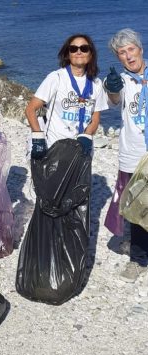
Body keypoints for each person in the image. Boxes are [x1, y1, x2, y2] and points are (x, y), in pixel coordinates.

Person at [104, 28, 148, 283]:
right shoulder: (121, 80)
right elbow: (113, 99)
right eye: (122, 53)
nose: (128, 56)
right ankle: (139, 258)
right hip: (133, 153)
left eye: (131, 49)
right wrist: (111, 89)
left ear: (140, 49)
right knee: (138, 207)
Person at [25, 34, 108, 158]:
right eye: (73, 49)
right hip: (54, 148)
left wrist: (87, 135)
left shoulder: (96, 83)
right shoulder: (56, 78)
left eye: (84, 48)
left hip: (82, 150)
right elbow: (30, 109)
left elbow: (95, 119)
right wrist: (38, 138)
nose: (79, 52)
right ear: (68, 54)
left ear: (91, 54)